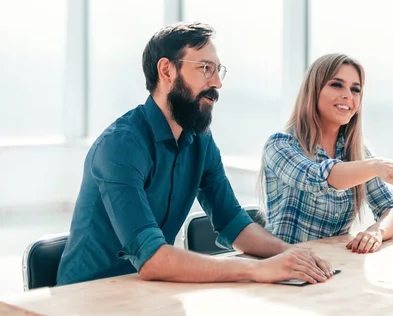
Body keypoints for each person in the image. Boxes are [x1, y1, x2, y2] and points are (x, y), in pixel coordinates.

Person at [57, 22, 334, 286]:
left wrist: (291, 255)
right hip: (87, 298)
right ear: (166, 71)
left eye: (218, 70)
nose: (217, 83)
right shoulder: (120, 145)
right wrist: (257, 270)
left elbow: (233, 223)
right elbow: (152, 258)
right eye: (205, 68)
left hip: (147, 292)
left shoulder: (201, 141)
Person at [260, 53, 393, 253]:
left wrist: (377, 231)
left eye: (355, 89)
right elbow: (318, 177)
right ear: (314, 90)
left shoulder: (356, 153)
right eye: (337, 85)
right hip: (285, 270)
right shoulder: (280, 145)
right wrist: (376, 166)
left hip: (335, 266)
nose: (348, 95)